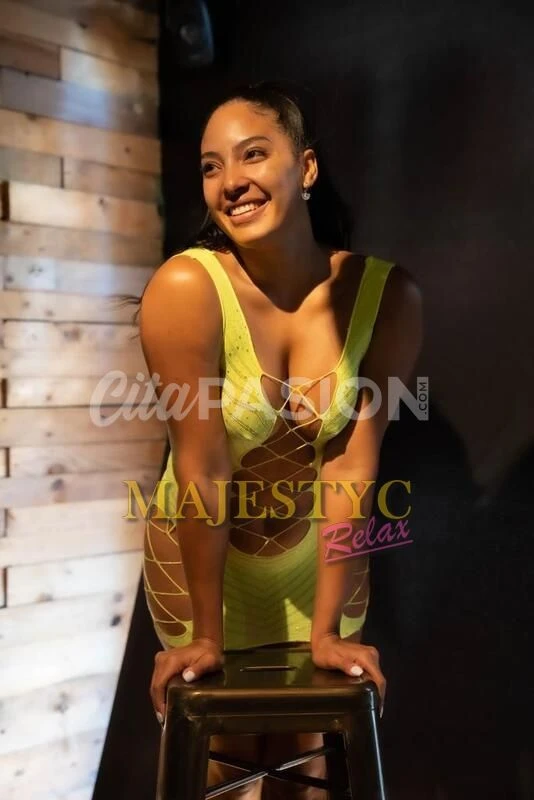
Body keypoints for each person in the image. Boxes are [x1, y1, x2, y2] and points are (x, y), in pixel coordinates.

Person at [139, 82, 423, 799]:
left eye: (253, 154)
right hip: (203, 561)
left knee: (307, 766)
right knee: (229, 767)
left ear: (307, 167)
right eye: (211, 167)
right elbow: (202, 471)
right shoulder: (186, 287)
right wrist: (206, 636)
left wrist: (326, 631)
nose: (230, 181)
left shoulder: (385, 296)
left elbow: (353, 469)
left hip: (312, 560)